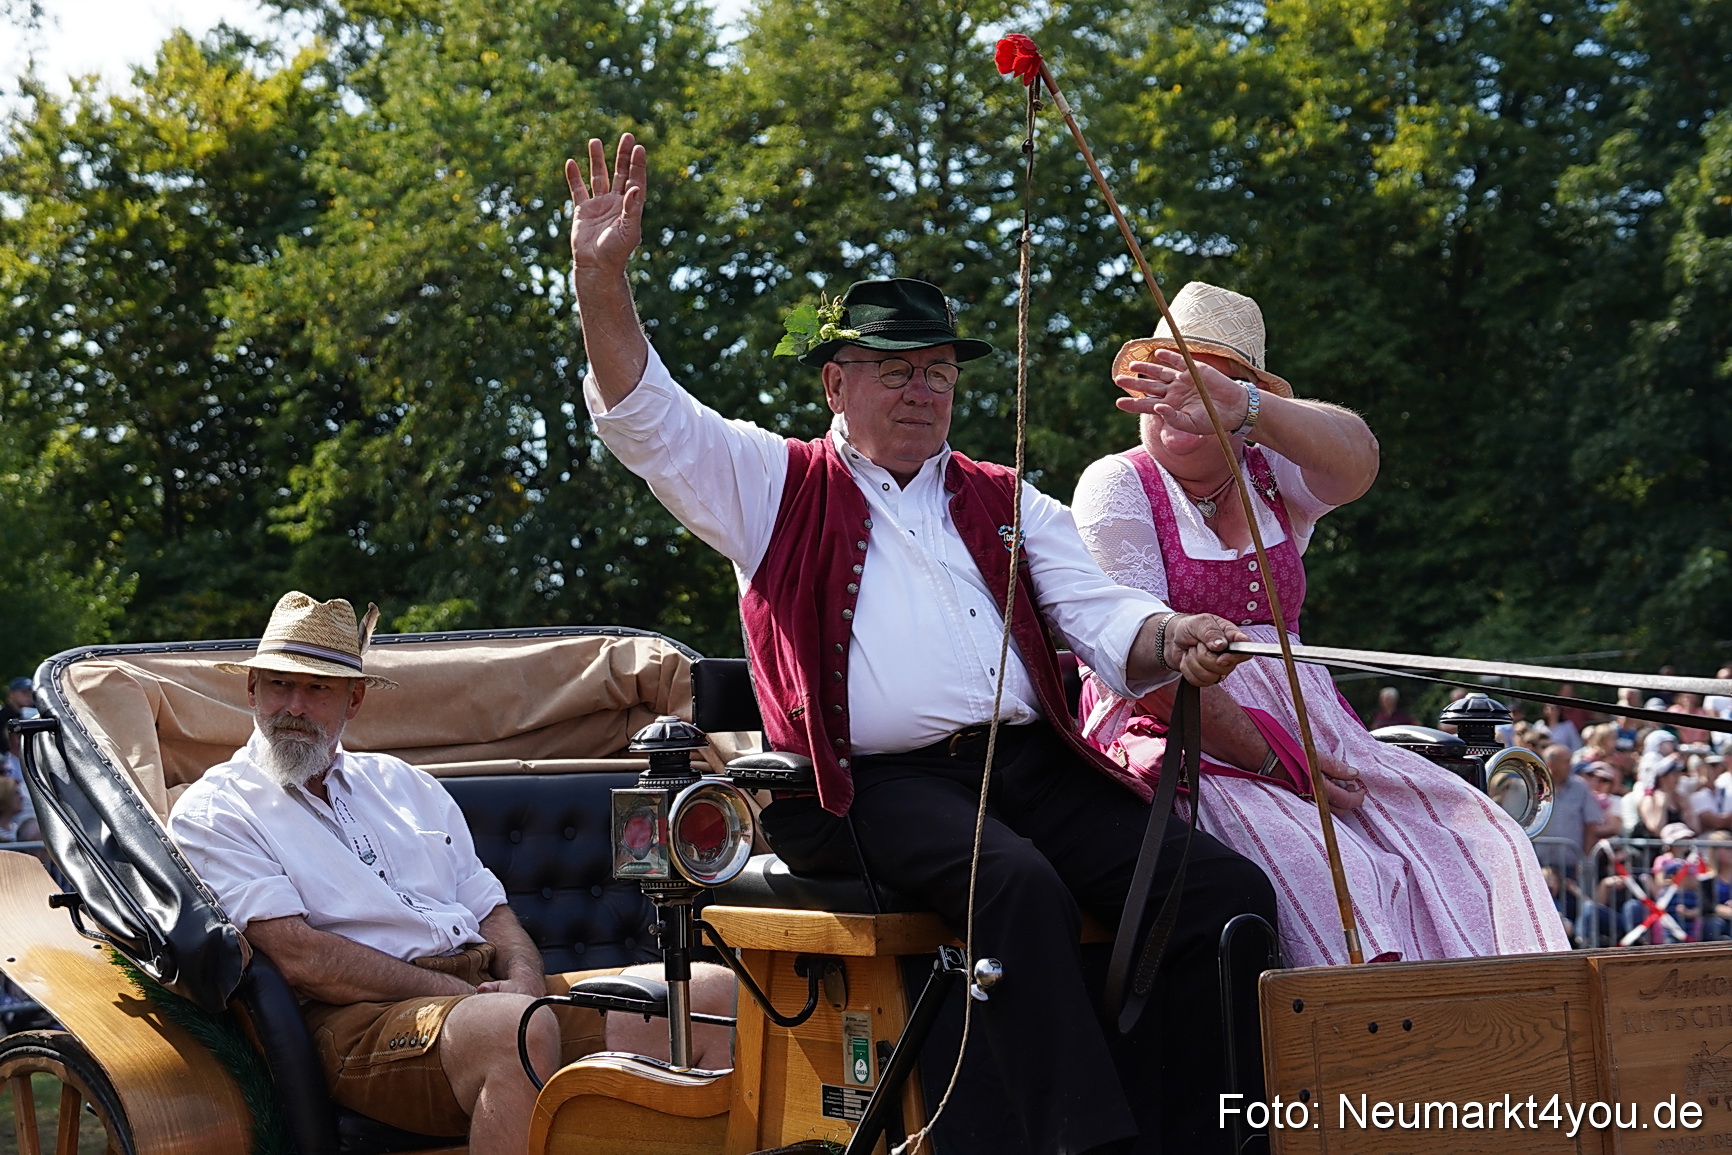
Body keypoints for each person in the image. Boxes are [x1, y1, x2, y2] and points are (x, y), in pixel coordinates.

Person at [566, 133, 1275, 1155]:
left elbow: (1102, 616)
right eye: (894, 370)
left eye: (937, 370)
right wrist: (601, 275)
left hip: (1025, 767)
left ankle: (1213, 1138)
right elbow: (644, 415)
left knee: (1224, 897)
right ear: (834, 385)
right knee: (1018, 885)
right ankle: (1091, 1147)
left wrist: (1173, 634)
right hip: (862, 788)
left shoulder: (1003, 497)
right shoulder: (771, 485)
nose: (921, 389)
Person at [1071, 280, 1567, 968]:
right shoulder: (1117, 484)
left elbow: (1359, 457)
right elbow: (1144, 666)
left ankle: (1506, 1042)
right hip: (1185, 740)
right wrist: (1279, 759)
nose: (1179, 397)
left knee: (1483, 839)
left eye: (1206, 379)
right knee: (1341, 877)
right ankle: (1373, 1064)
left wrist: (1248, 410)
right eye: (1166, 375)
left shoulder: (1268, 468)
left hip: (1317, 730)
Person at [168, 592, 732, 1155]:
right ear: (252, 691)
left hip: (483, 998)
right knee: (512, 1028)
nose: (294, 706)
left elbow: (493, 912)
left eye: (318, 689)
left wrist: (526, 979)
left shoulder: (405, 784)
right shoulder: (217, 808)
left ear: (354, 700)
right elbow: (301, 959)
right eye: (279, 685)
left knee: (709, 995)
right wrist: (466, 994)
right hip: (353, 1020)